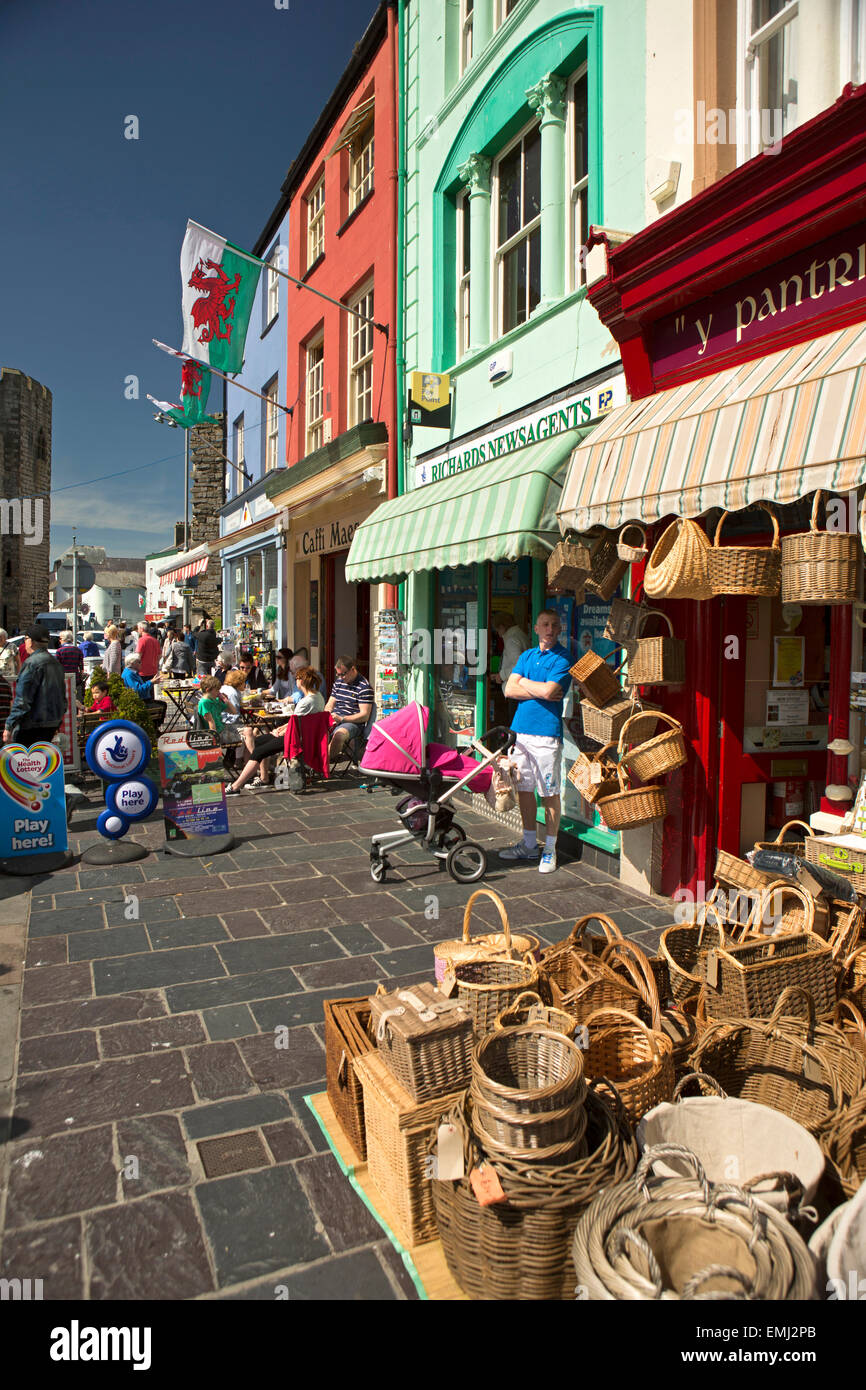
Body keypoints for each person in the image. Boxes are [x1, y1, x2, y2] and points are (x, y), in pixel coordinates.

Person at [498, 608, 573, 875]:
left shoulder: (564, 658)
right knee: (525, 789)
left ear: (560, 629)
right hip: (521, 733)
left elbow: (552, 690)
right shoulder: (528, 655)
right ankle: (529, 844)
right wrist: (537, 688)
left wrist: (524, 684)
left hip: (546, 735)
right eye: (545, 624)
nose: (550, 629)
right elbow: (508, 689)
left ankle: (550, 849)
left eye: (554, 625)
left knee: (549, 793)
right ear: (536, 628)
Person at [3, 624, 67, 746]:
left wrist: (9, 725)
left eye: (25, 639)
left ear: (31, 641)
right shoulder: (55, 663)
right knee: (42, 762)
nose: (24, 642)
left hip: (32, 725)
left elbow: (22, 700)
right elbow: (62, 697)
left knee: (25, 762)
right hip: (51, 724)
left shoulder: (31, 663)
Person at [325, 655, 373, 761]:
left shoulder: (364, 687)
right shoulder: (339, 682)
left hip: (352, 722)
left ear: (352, 669)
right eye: (338, 674)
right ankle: (304, 759)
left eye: (343, 674)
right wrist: (327, 712)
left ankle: (320, 762)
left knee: (339, 736)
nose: (341, 677)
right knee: (310, 729)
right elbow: (330, 703)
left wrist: (342, 719)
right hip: (335, 718)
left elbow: (364, 716)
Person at [55, 630, 85, 697]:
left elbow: (56, 666)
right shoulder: (78, 650)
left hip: (63, 678)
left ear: (63, 639)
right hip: (75, 678)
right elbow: (81, 666)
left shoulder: (59, 651)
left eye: (60, 638)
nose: (59, 640)